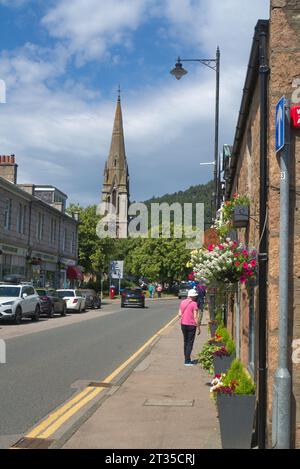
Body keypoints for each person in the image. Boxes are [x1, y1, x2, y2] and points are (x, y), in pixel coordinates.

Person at [178, 289, 201, 366]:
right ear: (193, 296)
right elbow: (195, 317)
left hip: (183, 324)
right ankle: (187, 361)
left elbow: (179, 314)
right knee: (190, 343)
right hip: (191, 325)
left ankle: (186, 358)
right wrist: (198, 327)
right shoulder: (194, 304)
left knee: (185, 341)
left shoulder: (182, 302)